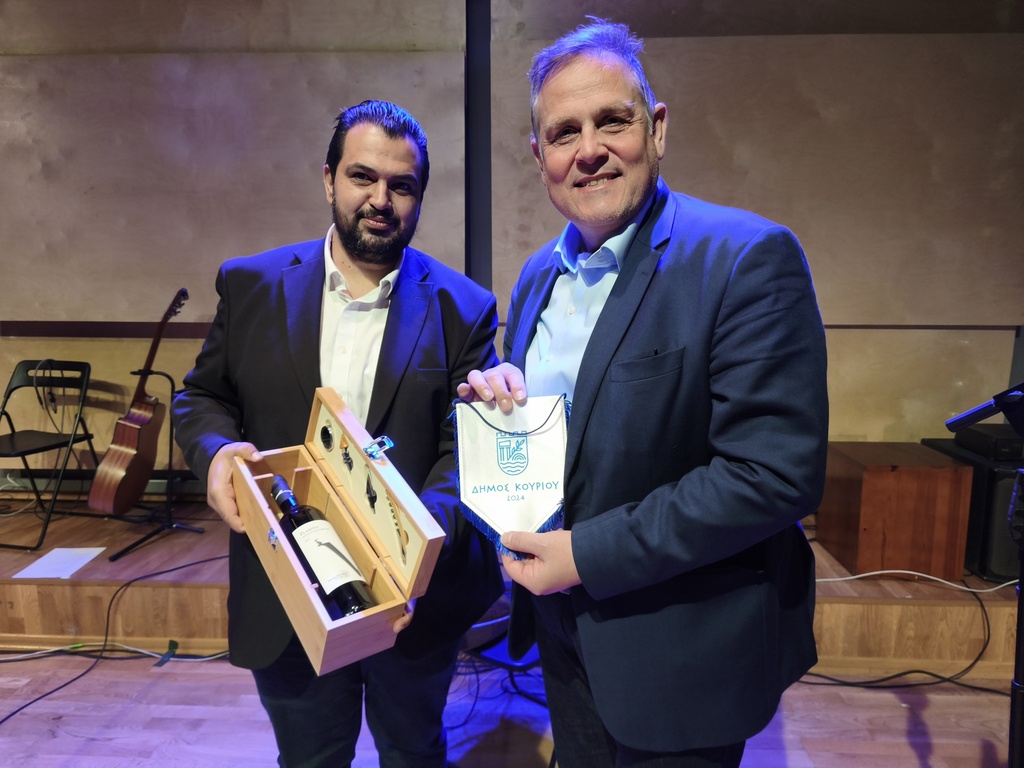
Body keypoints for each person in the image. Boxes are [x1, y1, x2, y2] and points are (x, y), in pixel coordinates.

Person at [457, 18, 829, 768]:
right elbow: (568, 424)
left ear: (656, 129)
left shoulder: (746, 257)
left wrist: (585, 555)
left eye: (612, 121)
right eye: (564, 133)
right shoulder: (537, 276)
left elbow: (773, 475)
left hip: (681, 650)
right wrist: (502, 400)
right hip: (562, 634)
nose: (588, 149)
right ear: (539, 157)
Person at [172, 100, 503, 767]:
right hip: (288, 590)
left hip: (413, 600)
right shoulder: (251, 284)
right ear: (329, 180)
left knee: (413, 752)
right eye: (362, 177)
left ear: (419, 197)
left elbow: (465, 445)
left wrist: (410, 545)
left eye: (401, 185)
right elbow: (202, 397)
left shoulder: (464, 307)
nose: (380, 199)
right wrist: (216, 454)